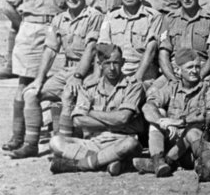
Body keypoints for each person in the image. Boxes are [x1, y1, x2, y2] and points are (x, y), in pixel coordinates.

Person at [10, 0, 102, 158]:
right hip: (67, 70)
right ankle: (30, 144)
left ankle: (64, 150)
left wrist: (78, 76)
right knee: (30, 93)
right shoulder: (59, 19)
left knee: (68, 95)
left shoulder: (94, 16)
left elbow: (91, 50)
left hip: (89, 72)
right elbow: (50, 50)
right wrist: (38, 79)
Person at [2, 0, 71, 152]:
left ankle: (58, 140)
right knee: (24, 83)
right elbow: (8, 6)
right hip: (30, 30)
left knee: (57, 84)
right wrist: (24, 25)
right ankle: (18, 136)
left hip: (57, 30)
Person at [48, 44, 144, 176]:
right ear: (99, 64)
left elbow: (123, 118)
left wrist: (91, 112)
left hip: (121, 140)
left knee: (131, 144)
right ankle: (107, 161)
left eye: (116, 63)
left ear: (123, 63)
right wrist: (116, 124)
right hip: (94, 142)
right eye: (107, 63)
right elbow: (78, 121)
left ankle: (80, 165)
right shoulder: (89, 88)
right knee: (56, 142)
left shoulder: (133, 86)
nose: (111, 68)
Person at [138, 48, 210, 178]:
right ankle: (159, 162)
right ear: (178, 70)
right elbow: (148, 106)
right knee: (158, 113)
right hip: (173, 142)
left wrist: (179, 122)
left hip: (193, 148)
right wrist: (162, 121)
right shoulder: (171, 87)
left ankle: (164, 162)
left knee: (192, 131)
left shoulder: (208, 90)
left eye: (197, 67)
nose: (195, 71)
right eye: (190, 67)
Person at [97, 0, 162, 82]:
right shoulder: (111, 16)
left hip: (143, 74)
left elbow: (151, 50)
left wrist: (137, 78)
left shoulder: (153, 16)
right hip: (115, 71)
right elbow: (103, 47)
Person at [157, 0, 210, 83]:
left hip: (201, 72)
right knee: (152, 92)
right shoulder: (170, 19)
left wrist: (200, 76)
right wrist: (172, 79)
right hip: (175, 71)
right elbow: (163, 54)